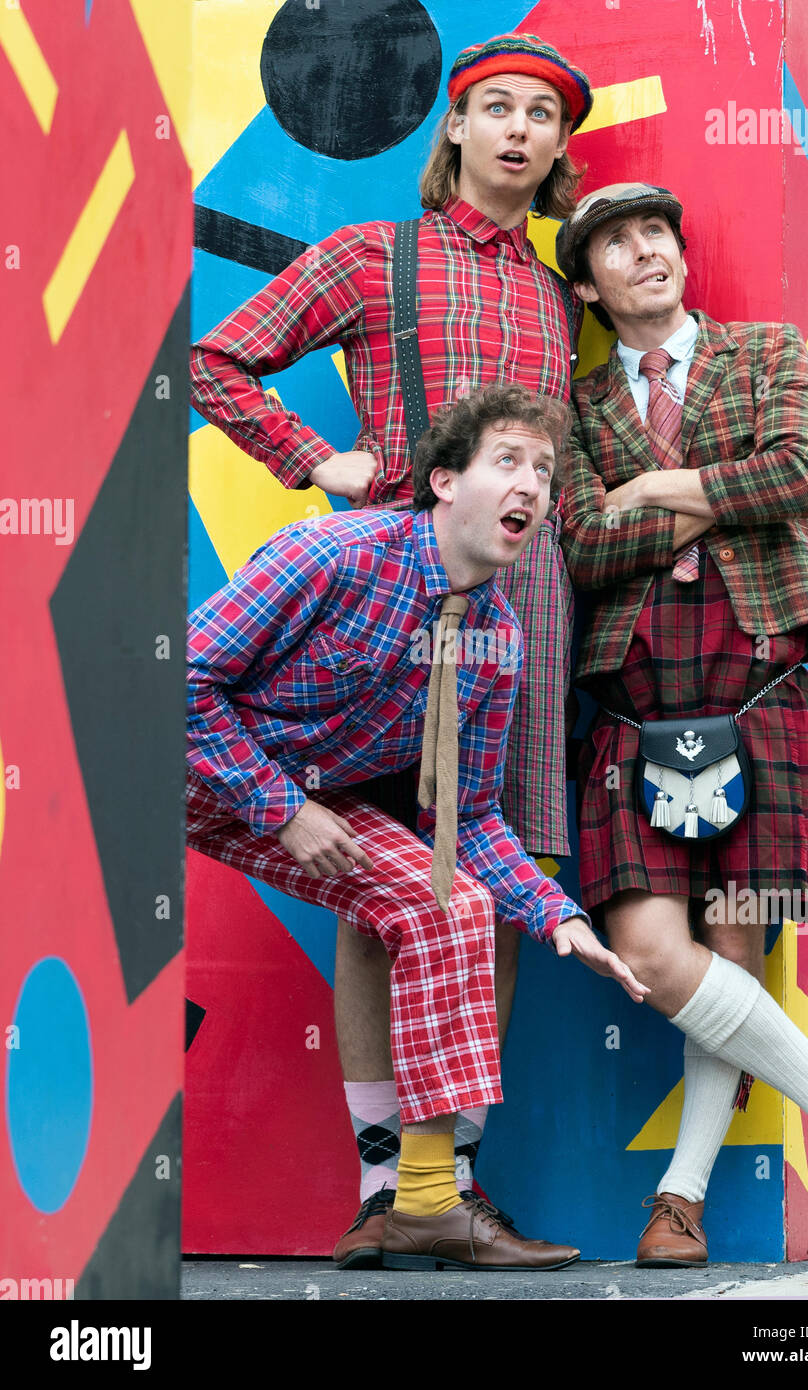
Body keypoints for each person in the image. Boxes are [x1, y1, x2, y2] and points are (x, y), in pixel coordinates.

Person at [189, 33, 592, 1262]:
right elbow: (217, 359)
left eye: (543, 117)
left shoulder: (558, 295)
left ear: (561, 150)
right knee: (389, 884)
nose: (520, 131)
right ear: (455, 130)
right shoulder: (378, 255)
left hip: (526, 611)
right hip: (393, 598)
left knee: (496, 876)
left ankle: (448, 1182)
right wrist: (317, 460)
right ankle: (386, 1190)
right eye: (497, 109)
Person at [186, 383, 649, 1270]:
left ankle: (428, 1199)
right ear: (443, 482)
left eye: (544, 473)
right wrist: (284, 812)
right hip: (177, 766)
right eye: (507, 462)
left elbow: (463, 817)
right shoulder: (333, 552)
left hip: (303, 795)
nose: (530, 486)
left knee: (451, 901)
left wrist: (558, 917)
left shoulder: (496, 638)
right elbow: (182, 684)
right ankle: (409, 1194)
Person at [555, 182, 808, 1268]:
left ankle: (680, 1199)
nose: (645, 252)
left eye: (657, 232)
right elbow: (580, 543)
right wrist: (723, 492)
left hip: (760, 679)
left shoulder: (765, 350)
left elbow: (798, 475)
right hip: (632, 699)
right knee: (654, 953)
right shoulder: (575, 408)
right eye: (616, 245)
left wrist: (657, 488)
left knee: (732, 947)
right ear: (587, 284)